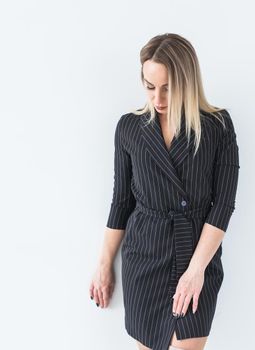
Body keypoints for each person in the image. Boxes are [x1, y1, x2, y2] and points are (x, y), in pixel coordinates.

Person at [89, 33, 240, 350]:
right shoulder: (129, 128)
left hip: (196, 255)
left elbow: (223, 205)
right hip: (144, 258)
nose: (157, 98)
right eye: (149, 86)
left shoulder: (218, 126)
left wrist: (195, 271)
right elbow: (121, 203)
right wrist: (104, 264)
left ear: (187, 81)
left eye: (168, 87)